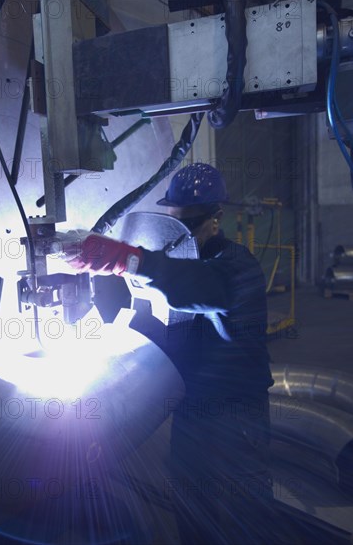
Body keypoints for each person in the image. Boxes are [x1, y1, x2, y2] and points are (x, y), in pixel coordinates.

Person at [65, 163, 277, 544]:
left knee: (243, 513)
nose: (180, 237)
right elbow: (152, 315)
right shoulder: (181, 265)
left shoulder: (235, 268)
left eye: (189, 225)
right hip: (191, 411)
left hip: (235, 414)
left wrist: (125, 258)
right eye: (173, 224)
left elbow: (188, 288)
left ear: (217, 218)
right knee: (191, 506)